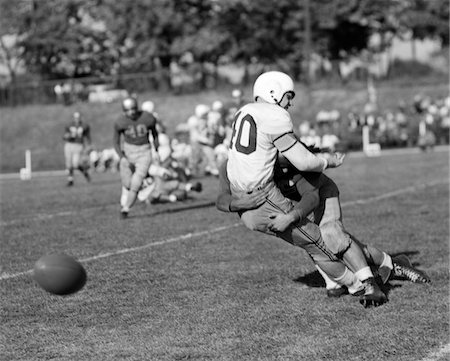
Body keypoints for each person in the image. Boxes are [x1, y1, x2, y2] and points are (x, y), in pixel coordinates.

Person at [222, 70, 387, 308]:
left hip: (244, 202)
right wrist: (328, 160)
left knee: (314, 242)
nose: (291, 102)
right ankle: (364, 283)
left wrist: (235, 203)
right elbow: (304, 162)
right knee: (324, 243)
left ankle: (352, 281)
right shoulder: (274, 115)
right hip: (263, 197)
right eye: (288, 95)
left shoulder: (243, 112)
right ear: (273, 93)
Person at [113, 97, 160, 218]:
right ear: (124, 110)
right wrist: (121, 156)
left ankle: (125, 209)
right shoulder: (120, 121)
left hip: (144, 151)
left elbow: (154, 134)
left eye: (133, 109)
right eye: (128, 110)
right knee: (128, 184)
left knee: (136, 183)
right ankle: (146, 183)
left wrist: (156, 149)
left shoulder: (147, 117)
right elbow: (116, 142)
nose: (132, 112)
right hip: (128, 152)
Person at [63, 111, 91, 186]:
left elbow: (87, 137)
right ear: (73, 118)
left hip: (78, 145)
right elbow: (64, 136)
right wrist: (68, 136)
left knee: (76, 164)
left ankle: (85, 172)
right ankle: (70, 180)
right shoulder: (69, 125)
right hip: (69, 144)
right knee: (69, 164)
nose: (77, 119)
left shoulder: (84, 125)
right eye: (75, 118)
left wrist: (88, 146)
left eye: (78, 118)